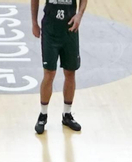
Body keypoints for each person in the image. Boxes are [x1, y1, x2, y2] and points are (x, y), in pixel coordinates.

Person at [31, 0, 83, 134]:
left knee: (70, 73)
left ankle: (67, 114)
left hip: (70, 30)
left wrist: (79, 15)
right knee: (49, 73)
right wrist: (34, 23)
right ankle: (43, 115)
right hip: (50, 30)